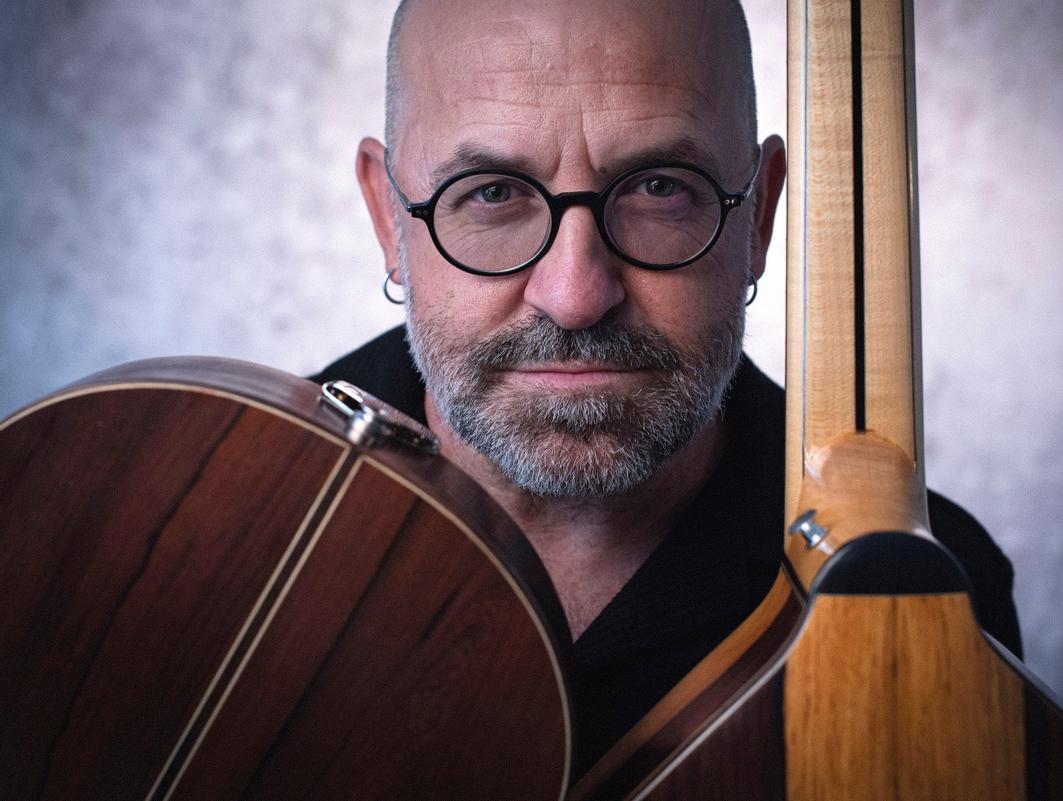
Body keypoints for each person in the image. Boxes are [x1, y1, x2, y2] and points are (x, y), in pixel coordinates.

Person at [313, 0, 1021, 776]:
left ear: (758, 218)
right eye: (491, 193)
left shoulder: (922, 589)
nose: (576, 293)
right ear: (389, 217)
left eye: (658, 188)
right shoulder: (220, 513)